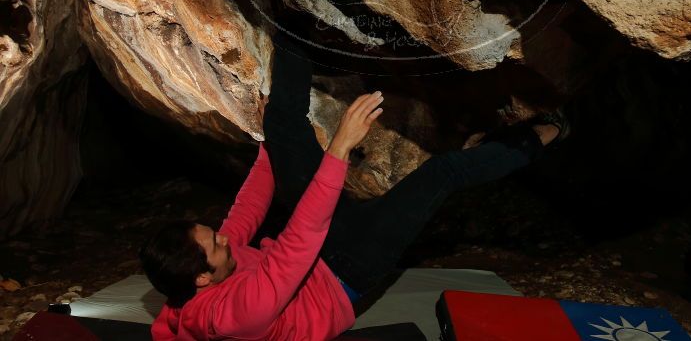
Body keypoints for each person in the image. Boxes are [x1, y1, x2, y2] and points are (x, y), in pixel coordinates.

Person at [140, 29, 566, 341]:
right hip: (348, 270)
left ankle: (296, 14)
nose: (226, 240)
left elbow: (245, 213)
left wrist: (275, 146)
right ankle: (548, 135)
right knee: (442, 173)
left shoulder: (198, 273)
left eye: (213, 235)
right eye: (216, 246)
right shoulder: (238, 315)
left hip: (314, 249)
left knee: (282, 121)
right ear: (201, 280)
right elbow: (296, 244)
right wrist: (339, 147)